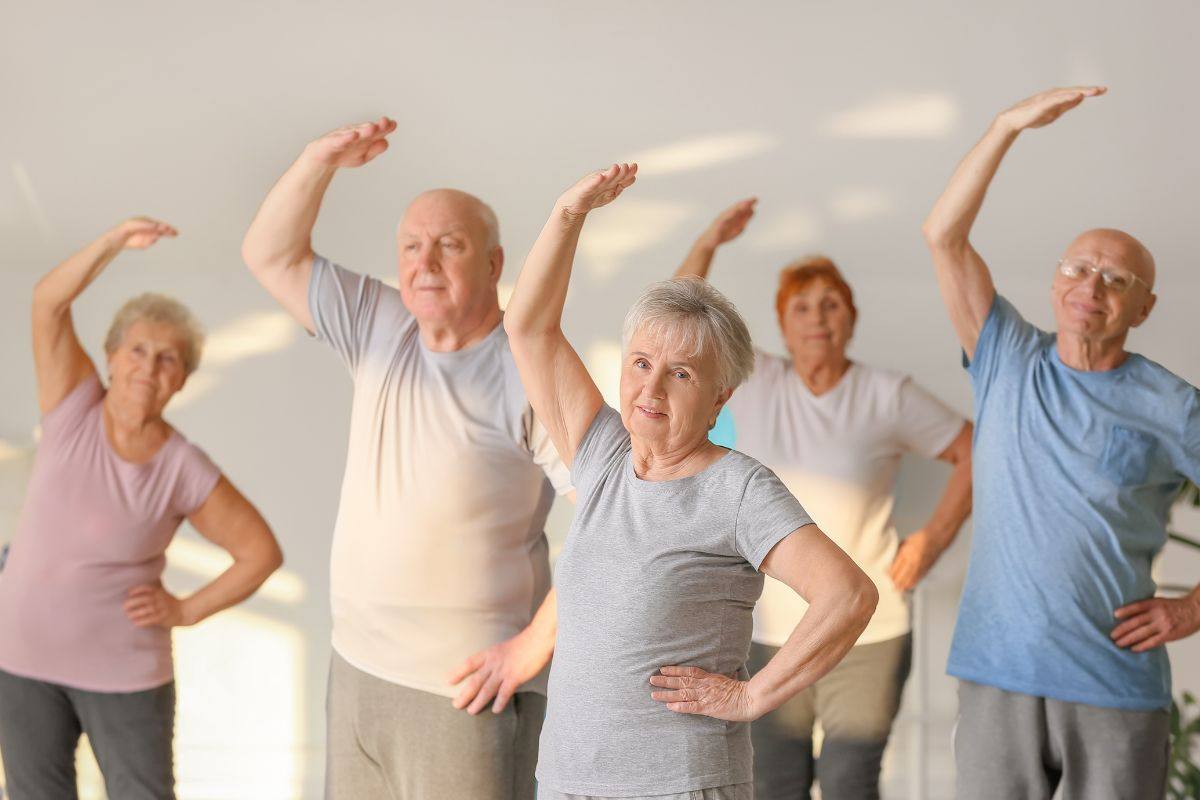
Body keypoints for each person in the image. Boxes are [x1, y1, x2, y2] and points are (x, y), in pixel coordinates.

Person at [504, 163, 879, 800]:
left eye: (680, 374)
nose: (650, 388)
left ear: (718, 397)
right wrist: (569, 213)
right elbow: (529, 328)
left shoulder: (738, 491)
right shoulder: (601, 456)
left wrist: (752, 695)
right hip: (571, 783)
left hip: (678, 785)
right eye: (641, 364)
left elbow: (848, 595)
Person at [241, 118, 572, 799]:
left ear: (492, 264)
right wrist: (317, 161)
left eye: (450, 246)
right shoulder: (379, 323)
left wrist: (539, 641)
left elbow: (623, 515)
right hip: (357, 671)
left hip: (467, 695)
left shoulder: (527, 368)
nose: (425, 263)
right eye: (412, 246)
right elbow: (269, 254)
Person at [922, 86, 1200, 799]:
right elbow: (943, 235)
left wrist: (1190, 608)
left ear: (1144, 306)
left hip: (1112, 685)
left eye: (1116, 278)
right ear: (1053, 283)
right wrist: (1005, 126)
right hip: (996, 675)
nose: (1091, 286)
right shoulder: (1005, 356)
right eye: (1078, 268)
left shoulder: (1173, 405)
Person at [676, 202, 973, 800]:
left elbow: (976, 449)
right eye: (801, 307)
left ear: (851, 319)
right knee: (774, 784)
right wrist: (709, 240)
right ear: (781, 325)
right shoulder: (756, 382)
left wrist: (932, 539)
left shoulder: (888, 394)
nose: (817, 319)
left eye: (831, 304)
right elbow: (683, 319)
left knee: (849, 783)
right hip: (766, 629)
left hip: (869, 630)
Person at [0, 217, 283, 799]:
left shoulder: (183, 467)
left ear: (182, 380)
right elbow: (47, 302)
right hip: (21, 659)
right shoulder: (72, 406)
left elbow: (260, 553)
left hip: (123, 673)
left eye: (169, 359)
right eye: (139, 350)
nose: (149, 369)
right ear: (109, 357)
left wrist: (186, 610)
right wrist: (109, 243)